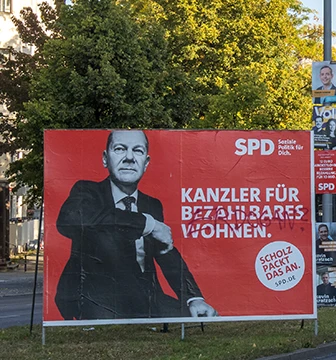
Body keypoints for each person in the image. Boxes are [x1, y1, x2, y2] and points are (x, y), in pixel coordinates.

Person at [55, 129, 218, 321]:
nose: (129, 158)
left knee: (203, 319)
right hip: (96, 298)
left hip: (146, 299)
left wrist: (193, 297)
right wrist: (147, 224)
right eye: (120, 149)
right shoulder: (87, 192)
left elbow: (166, 253)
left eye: (138, 151)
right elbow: (69, 220)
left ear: (146, 163)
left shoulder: (152, 204)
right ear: (105, 159)